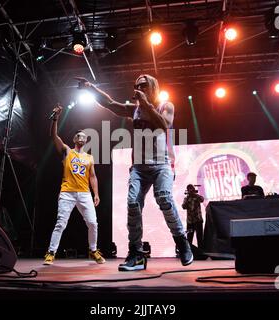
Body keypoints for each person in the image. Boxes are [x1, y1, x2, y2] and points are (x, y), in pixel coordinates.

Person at [76, 74, 193, 271]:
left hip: (160, 165)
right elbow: (110, 103)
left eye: (143, 85)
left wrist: (146, 103)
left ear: (153, 87)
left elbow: (164, 125)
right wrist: (90, 88)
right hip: (139, 167)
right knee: (132, 203)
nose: (139, 88)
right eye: (137, 85)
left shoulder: (166, 105)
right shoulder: (135, 109)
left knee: (164, 198)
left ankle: (182, 241)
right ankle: (137, 254)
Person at [43, 105, 105, 265]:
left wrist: (96, 193)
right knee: (61, 223)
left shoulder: (89, 158)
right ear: (74, 139)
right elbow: (54, 135)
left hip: (84, 193)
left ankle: (93, 250)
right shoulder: (67, 151)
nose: (81, 137)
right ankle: (51, 252)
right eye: (78, 135)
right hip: (67, 192)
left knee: (93, 223)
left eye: (83, 136)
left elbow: (93, 176)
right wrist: (55, 118)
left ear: (86, 140)